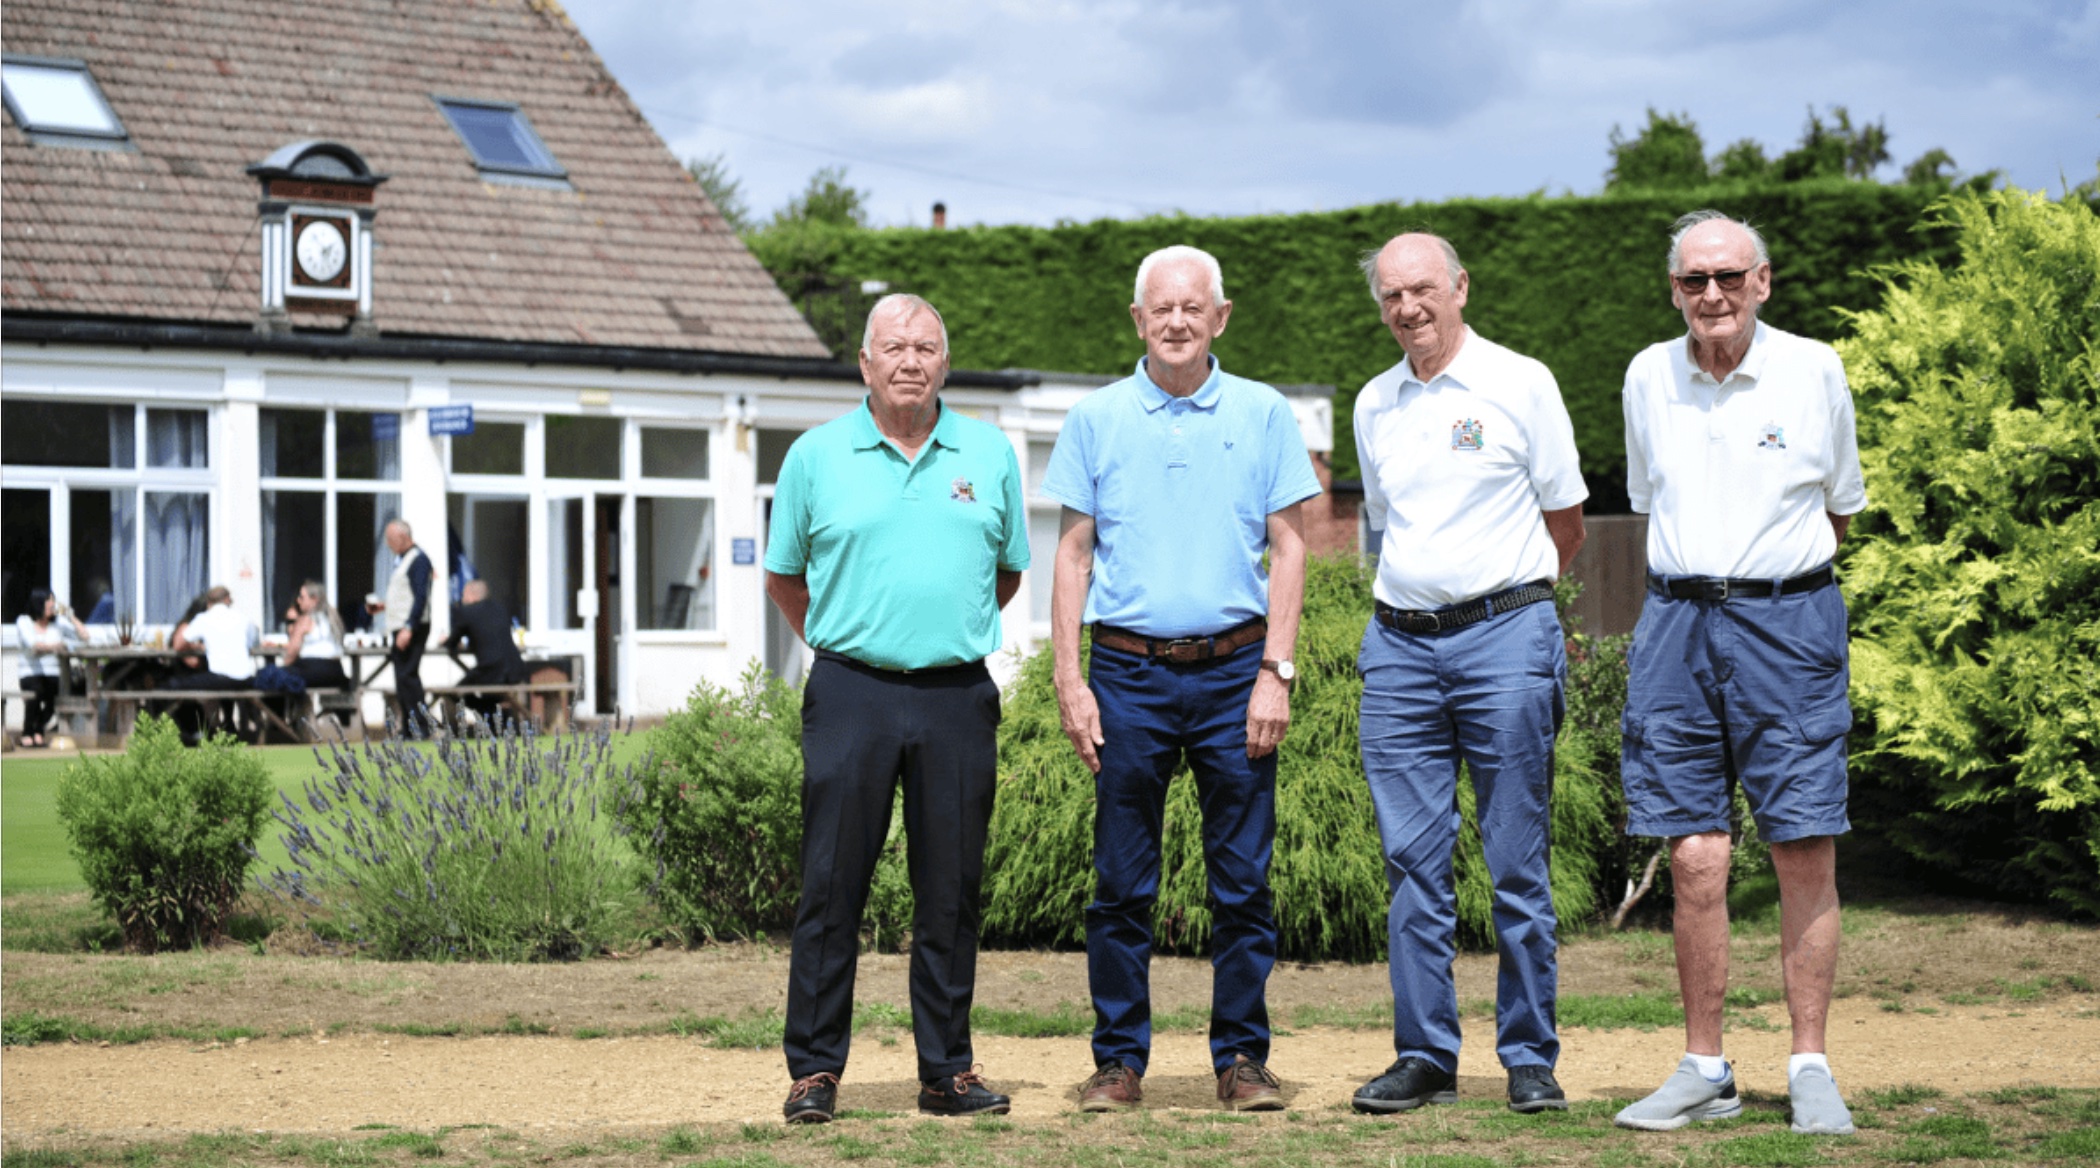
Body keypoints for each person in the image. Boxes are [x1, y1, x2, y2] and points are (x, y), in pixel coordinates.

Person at [1044, 245, 1322, 1114]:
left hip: (1237, 671)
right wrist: (1069, 679)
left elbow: (1290, 549)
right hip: (1126, 673)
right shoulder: (1094, 418)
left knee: (1242, 881)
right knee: (1121, 882)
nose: (1175, 322)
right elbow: (1073, 555)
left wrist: (1276, 672)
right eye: (1160, 308)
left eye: (1191, 308)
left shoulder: (1263, 412)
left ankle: (1241, 1059)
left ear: (1220, 317)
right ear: (1138, 319)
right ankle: (1117, 1062)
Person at [1612, 211, 1867, 1137]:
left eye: (1729, 276)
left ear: (1762, 280)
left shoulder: (1815, 369)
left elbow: (1839, 508)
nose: (1712, 294)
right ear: (1674, 290)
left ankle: (1810, 1068)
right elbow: (1651, 498)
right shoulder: (1647, 375)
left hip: (1788, 623)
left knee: (1802, 844)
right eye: (1694, 280)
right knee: (1694, 856)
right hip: (1676, 623)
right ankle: (1705, 1070)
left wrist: (1766, 586)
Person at [764, 293, 1029, 1125]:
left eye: (925, 348)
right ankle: (814, 1071)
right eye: (894, 347)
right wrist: (851, 638)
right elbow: (783, 576)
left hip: (956, 695)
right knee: (830, 884)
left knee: (951, 888)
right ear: (865, 364)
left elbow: (1007, 571)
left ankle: (947, 1071)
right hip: (852, 692)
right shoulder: (815, 455)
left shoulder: (989, 453)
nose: (910, 361)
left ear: (944, 363)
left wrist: (941, 629)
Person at [1346, 233, 1589, 1117]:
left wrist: (1514, 612)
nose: (1407, 308)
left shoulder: (1521, 382)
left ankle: (1528, 1056)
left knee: (1515, 862)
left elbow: (1567, 523)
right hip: (1400, 649)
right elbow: (1390, 522)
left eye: (1422, 289)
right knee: (1411, 864)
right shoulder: (1374, 402)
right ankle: (1425, 1056)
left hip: (1504, 639)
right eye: (1391, 295)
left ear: (1460, 288)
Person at [163, 584, 260, 742]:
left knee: (174, 684)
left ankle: (202, 730)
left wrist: (196, 646)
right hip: (244, 679)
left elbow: (178, 644)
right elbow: (252, 644)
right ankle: (227, 727)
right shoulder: (243, 618)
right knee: (220, 685)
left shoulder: (204, 619)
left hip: (220, 679)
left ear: (209, 602)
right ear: (227, 600)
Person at [369, 519, 433, 733]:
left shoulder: (418, 560)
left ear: (403, 537)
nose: (388, 544)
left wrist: (409, 627)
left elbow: (421, 597)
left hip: (413, 627)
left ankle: (420, 727)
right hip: (403, 626)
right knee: (402, 679)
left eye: (390, 539)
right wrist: (384, 606)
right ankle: (409, 727)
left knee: (408, 677)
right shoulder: (404, 560)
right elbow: (406, 596)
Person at [442, 579, 526, 719]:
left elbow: (451, 643)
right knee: (492, 694)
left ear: (472, 595)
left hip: (490, 670)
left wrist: (445, 641)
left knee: (455, 693)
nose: (462, 599)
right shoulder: (500, 609)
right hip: (515, 668)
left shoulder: (467, 612)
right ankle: (496, 719)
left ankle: (489, 716)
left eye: (464, 595)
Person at [14, 589, 88, 748]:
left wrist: (71, 617)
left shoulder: (58, 623)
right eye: (49, 601)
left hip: (54, 672)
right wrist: (56, 646)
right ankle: (28, 733)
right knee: (36, 693)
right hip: (30, 671)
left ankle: (38, 730)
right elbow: (34, 646)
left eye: (53, 600)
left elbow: (84, 637)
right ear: (38, 603)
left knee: (60, 694)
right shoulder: (24, 621)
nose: (53, 604)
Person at [282, 581, 350, 690]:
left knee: (276, 678)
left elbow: (292, 651)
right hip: (336, 672)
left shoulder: (305, 620)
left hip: (312, 671)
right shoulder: (334, 619)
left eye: (302, 597)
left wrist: (283, 667)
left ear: (314, 599)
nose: (298, 601)